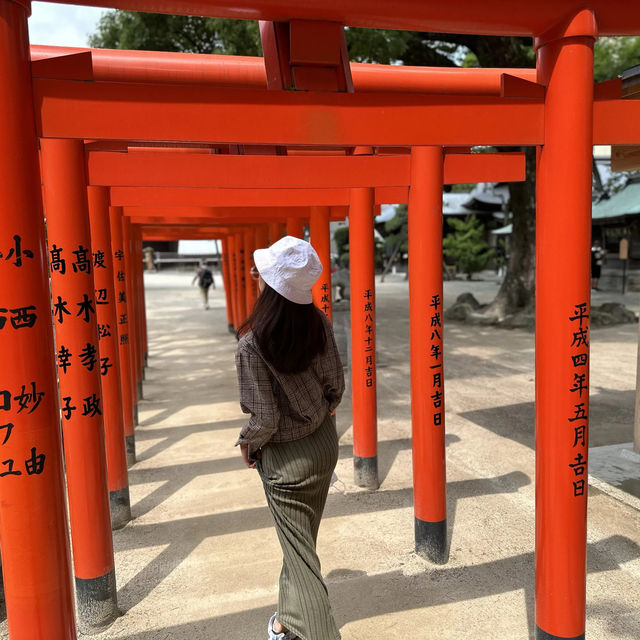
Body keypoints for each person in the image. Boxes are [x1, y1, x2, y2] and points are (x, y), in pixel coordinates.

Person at [235, 236, 344, 640]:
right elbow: (336, 387)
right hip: (323, 445)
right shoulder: (319, 325)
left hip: (285, 460)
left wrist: (248, 444)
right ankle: (285, 622)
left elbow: (263, 417)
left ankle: (319, 632)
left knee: (301, 556)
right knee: (300, 542)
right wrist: (318, 414)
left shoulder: (251, 345)